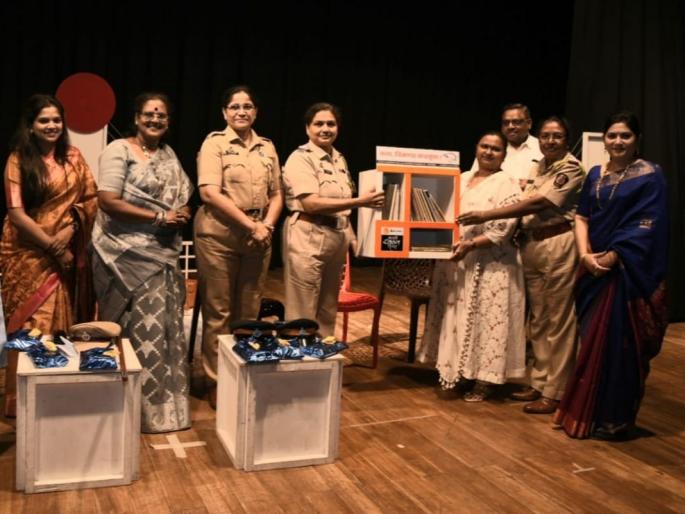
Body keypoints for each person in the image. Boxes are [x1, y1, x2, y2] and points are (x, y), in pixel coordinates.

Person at [553, 112, 668, 440]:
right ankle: (585, 413)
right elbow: (582, 216)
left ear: (637, 139)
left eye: (625, 136)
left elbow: (648, 225)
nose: (618, 141)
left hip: (626, 274)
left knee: (621, 348)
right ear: (603, 139)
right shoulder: (594, 174)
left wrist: (613, 256)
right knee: (591, 342)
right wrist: (584, 255)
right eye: (612, 135)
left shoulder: (650, 175)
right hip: (592, 271)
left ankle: (614, 419)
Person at [458, 116, 585, 414]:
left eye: (557, 136)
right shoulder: (537, 167)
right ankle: (539, 382)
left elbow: (537, 203)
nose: (550, 141)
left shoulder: (571, 168)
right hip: (532, 244)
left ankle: (556, 391)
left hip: (558, 242)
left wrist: (487, 215)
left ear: (567, 140)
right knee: (539, 319)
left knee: (559, 320)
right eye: (545, 135)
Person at [91, 92, 192, 433]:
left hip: (161, 254)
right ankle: (122, 407)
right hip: (122, 255)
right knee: (131, 328)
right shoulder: (118, 150)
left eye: (161, 115)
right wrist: (159, 217)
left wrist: (182, 213)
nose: (155, 119)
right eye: (149, 114)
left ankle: (162, 410)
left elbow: (182, 197)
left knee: (164, 329)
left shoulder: (168, 155)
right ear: (136, 118)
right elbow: (108, 200)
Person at [0, 94, 97, 417]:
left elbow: (89, 201)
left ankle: (57, 396)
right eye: (44, 120)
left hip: (65, 250)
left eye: (57, 119)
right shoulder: (18, 160)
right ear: (31, 126)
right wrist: (52, 245)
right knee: (31, 323)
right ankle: (23, 401)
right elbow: (16, 213)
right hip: (25, 253)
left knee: (59, 321)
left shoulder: (74, 157)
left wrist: (68, 234)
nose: (52, 125)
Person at [194, 86, 283, 405]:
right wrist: (251, 225)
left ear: (256, 112)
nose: (241, 111)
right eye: (234, 106)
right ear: (224, 112)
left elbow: (277, 194)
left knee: (249, 310)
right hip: (219, 235)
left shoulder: (267, 147)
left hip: (258, 235)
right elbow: (209, 193)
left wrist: (267, 225)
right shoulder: (214, 143)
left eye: (247, 106)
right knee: (218, 311)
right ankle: (217, 380)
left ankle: (243, 372)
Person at [421, 132, 525, 401]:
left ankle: (485, 380)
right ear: (476, 148)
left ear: (504, 155)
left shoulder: (507, 183)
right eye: (484, 146)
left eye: (496, 149)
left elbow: (504, 227)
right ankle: (460, 372)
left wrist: (472, 244)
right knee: (456, 317)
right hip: (456, 262)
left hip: (491, 263)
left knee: (486, 319)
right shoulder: (461, 178)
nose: (489, 152)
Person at [282, 102, 384, 336]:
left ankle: (324, 353)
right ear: (307, 128)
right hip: (308, 233)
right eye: (318, 124)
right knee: (303, 307)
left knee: (328, 306)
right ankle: (301, 354)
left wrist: (354, 239)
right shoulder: (301, 158)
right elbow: (311, 203)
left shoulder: (339, 159)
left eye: (331, 124)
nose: (325, 129)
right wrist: (360, 201)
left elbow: (342, 206)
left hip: (337, 236)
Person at [469, 103, 543, 188]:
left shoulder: (542, 148)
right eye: (506, 123)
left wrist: (531, 184)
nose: (510, 126)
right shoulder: (492, 148)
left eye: (516, 122)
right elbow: (474, 178)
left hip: (531, 195)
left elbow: (550, 180)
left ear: (529, 123)